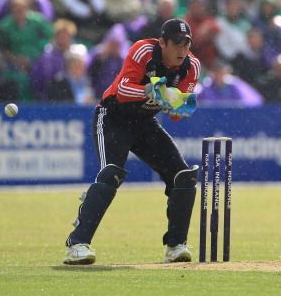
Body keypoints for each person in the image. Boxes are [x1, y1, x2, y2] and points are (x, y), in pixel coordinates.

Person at [63, 18, 201, 265]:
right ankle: (78, 244)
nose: (182, 50)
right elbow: (124, 90)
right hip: (113, 116)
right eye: (177, 44)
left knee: (183, 176)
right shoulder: (144, 50)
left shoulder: (191, 67)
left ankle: (176, 245)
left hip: (144, 123)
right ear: (163, 42)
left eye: (186, 44)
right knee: (111, 175)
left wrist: (178, 104)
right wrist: (154, 91)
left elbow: (178, 115)